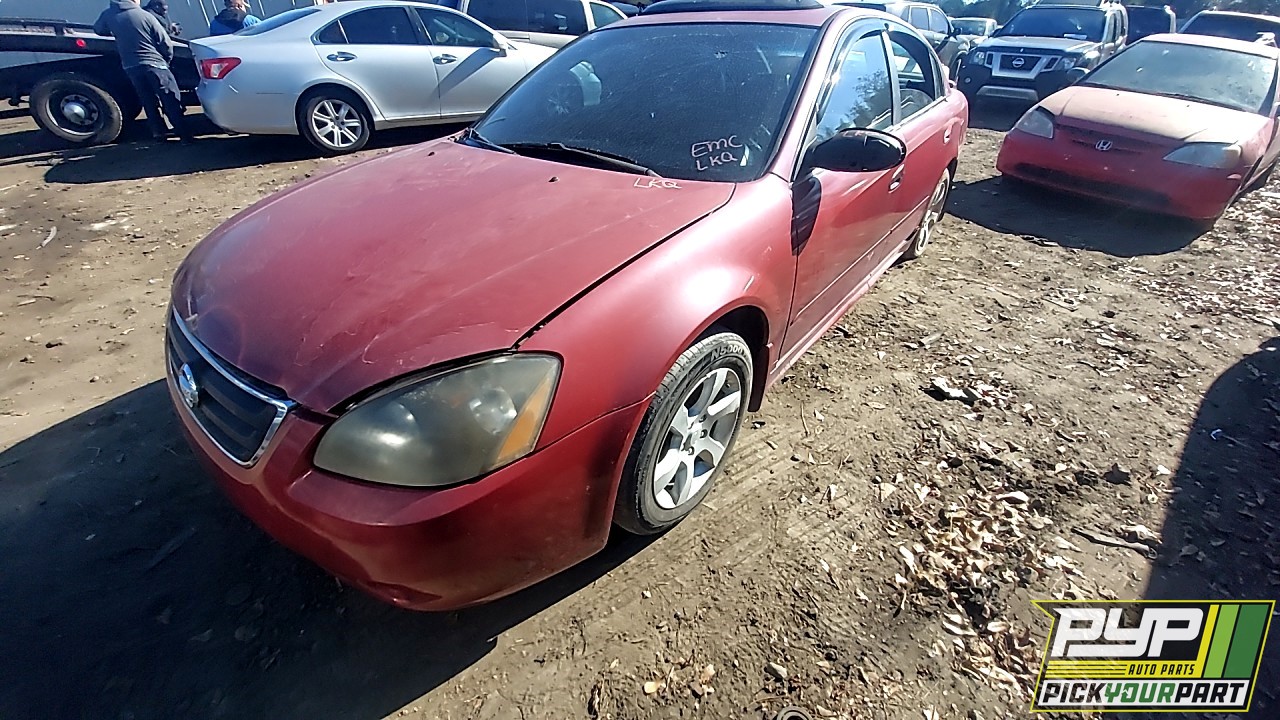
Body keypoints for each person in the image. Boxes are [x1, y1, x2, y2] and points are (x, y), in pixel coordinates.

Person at [93, 0, 193, 143]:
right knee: (169, 99)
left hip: (131, 66)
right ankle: (184, 136)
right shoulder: (144, 15)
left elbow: (99, 30)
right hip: (155, 64)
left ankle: (159, 134)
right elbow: (164, 42)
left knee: (148, 101)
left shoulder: (108, 15)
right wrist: (166, 60)